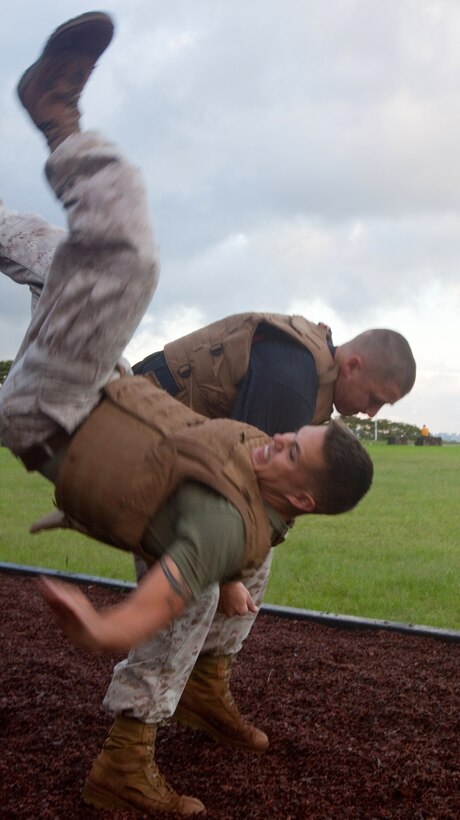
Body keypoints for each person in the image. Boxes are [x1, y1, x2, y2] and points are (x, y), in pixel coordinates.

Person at [0, 12, 375, 816]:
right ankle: (145, 744)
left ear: (301, 492)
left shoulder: (223, 521)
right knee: (64, 254)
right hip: (95, 386)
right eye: (372, 398)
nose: (277, 437)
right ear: (354, 366)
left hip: (64, 408)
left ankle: (57, 117)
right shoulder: (285, 386)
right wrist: (228, 575)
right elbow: (245, 512)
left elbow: (161, 593)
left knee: (123, 257)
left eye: (292, 449)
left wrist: (103, 628)